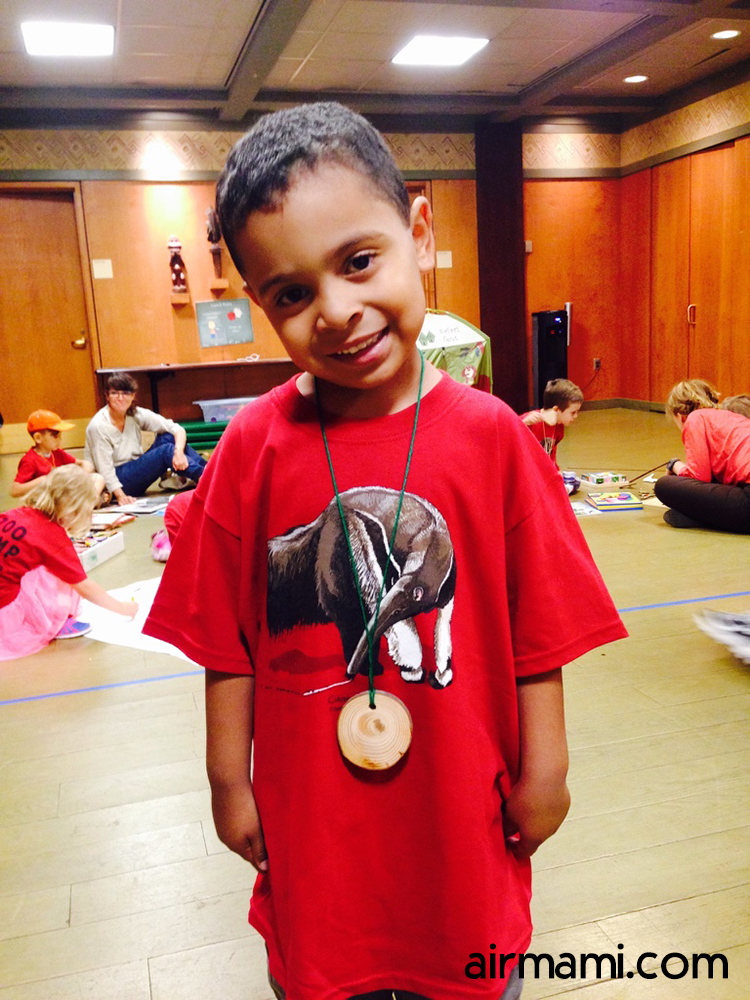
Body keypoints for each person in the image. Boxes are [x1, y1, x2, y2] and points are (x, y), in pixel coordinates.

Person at [144, 101, 626, 1000]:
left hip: (460, 817)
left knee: (471, 960)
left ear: (420, 232)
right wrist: (227, 779)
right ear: (260, 303)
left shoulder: (494, 439)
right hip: (314, 832)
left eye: (359, 261)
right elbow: (225, 643)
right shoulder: (252, 447)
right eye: (291, 293)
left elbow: (540, 634)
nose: (337, 312)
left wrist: (547, 771)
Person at [0, 465, 138, 661]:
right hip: (6, 617)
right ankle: (54, 621)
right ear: (74, 508)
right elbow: (84, 586)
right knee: (60, 572)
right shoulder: (52, 537)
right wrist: (122, 608)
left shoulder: (14, 514)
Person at [85, 372, 207, 506]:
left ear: (132, 396)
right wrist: (120, 496)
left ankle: (210, 470)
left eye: (125, 393)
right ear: (107, 396)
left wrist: (178, 452)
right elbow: (104, 469)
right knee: (166, 451)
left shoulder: (135, 414)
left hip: (135, 468)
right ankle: (206, 480)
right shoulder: (98, 426)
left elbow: (177, 429)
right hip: (117, 481)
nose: (120, 398)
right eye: (115, 393)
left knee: (168, 437)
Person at [655, 378, 750, 532]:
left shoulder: (695, 418)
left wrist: (675, 465)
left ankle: (703, 518)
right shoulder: (731, 417)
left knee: (663, 485)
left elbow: (699, 477)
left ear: (680, 416)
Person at [11, 409, 104, 499]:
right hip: (46, 499)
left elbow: (83, 463)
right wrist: (44, 480)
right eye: (55, 436)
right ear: (38, 438)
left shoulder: (57, 452)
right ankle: (89, 502)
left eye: (60, 436)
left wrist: (82, 476)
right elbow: (15, 490)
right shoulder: (30, 460)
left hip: (62, 494)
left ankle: (89, 502)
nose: (60, 440)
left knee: (97, 478)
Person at [519, 379, 583, 470]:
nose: (576, 416)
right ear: (556, 409)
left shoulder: (559, 427)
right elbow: (504, 435)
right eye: (573, 412)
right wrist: (523, 423)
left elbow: (550, 455)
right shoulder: (529, 420)